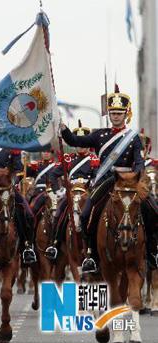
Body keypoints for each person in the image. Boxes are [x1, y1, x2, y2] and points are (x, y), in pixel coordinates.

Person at [60, 84, 158, 273]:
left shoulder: (133, 138)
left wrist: (134, 176)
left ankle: (152, 252)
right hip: (105, 181)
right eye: (113, 113)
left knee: (153, 209)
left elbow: (138, 162)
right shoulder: (99, 135)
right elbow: (74, 141)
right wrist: (63, 128)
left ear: (126, 114)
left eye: (119, 113)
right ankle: (92, 255)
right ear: (109, 114)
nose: (116, 116)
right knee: (86, 214)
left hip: (127, 182)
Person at [48, 123, 99, 260]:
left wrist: (92, 185)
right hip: (71, 192)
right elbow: (53, 175)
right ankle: (55, 243)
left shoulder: (95, 160)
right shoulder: (68, 159)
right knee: (59, 213)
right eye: (78, 142)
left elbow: (98, 176)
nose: (81, 145)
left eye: (84, 142)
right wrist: (58, 191)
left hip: (87, 192)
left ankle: (94, 246)